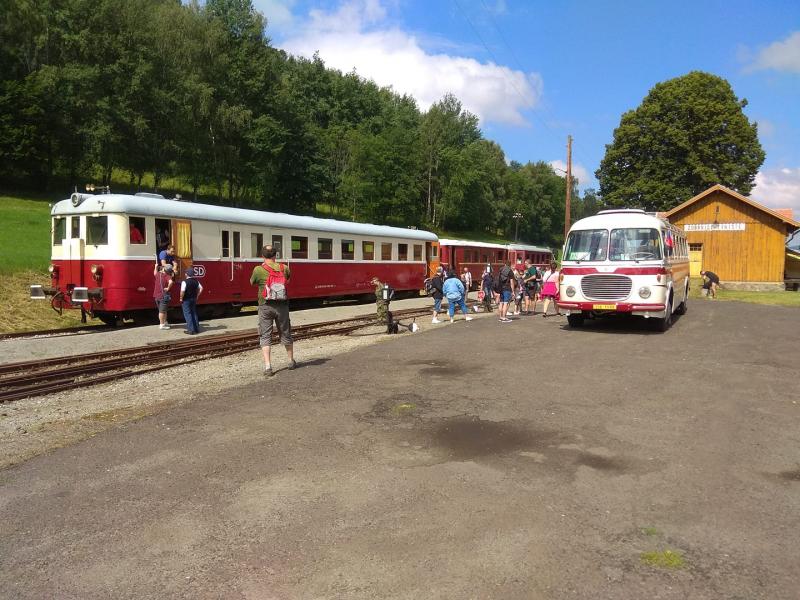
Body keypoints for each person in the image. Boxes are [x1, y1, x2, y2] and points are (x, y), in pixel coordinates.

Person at [250, 244, 296, 377]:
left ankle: (268, 367)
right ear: (276, 255)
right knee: (285, 332)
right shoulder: (284, 267)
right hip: (282, 305)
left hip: (265, 305)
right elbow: (287, 280)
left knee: (265, 335)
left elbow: (252, 282)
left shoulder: (258, 269)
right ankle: (291, 361)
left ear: (262, 256)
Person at [180, 267, 203, 335]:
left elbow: (182, 291)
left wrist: (181, 298)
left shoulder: (184, 282)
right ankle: (197, 329)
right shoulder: (196, 281)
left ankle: (191, 330)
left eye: (185, 273)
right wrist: (197, 295)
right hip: (193, 299)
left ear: (187, 274)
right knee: (194, 313)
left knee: (188, 314)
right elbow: (201, 288)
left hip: (186, 300)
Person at [153, 264, 174, 330]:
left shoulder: (158, 274)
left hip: (156, 295)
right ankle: (162, 325)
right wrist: (168, 288)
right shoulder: (167, 276)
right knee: (162, 311)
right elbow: (171, 282)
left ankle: (165, 322)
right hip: (163, 296)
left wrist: (155, 267)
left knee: (163, 310)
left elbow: (154, 273)